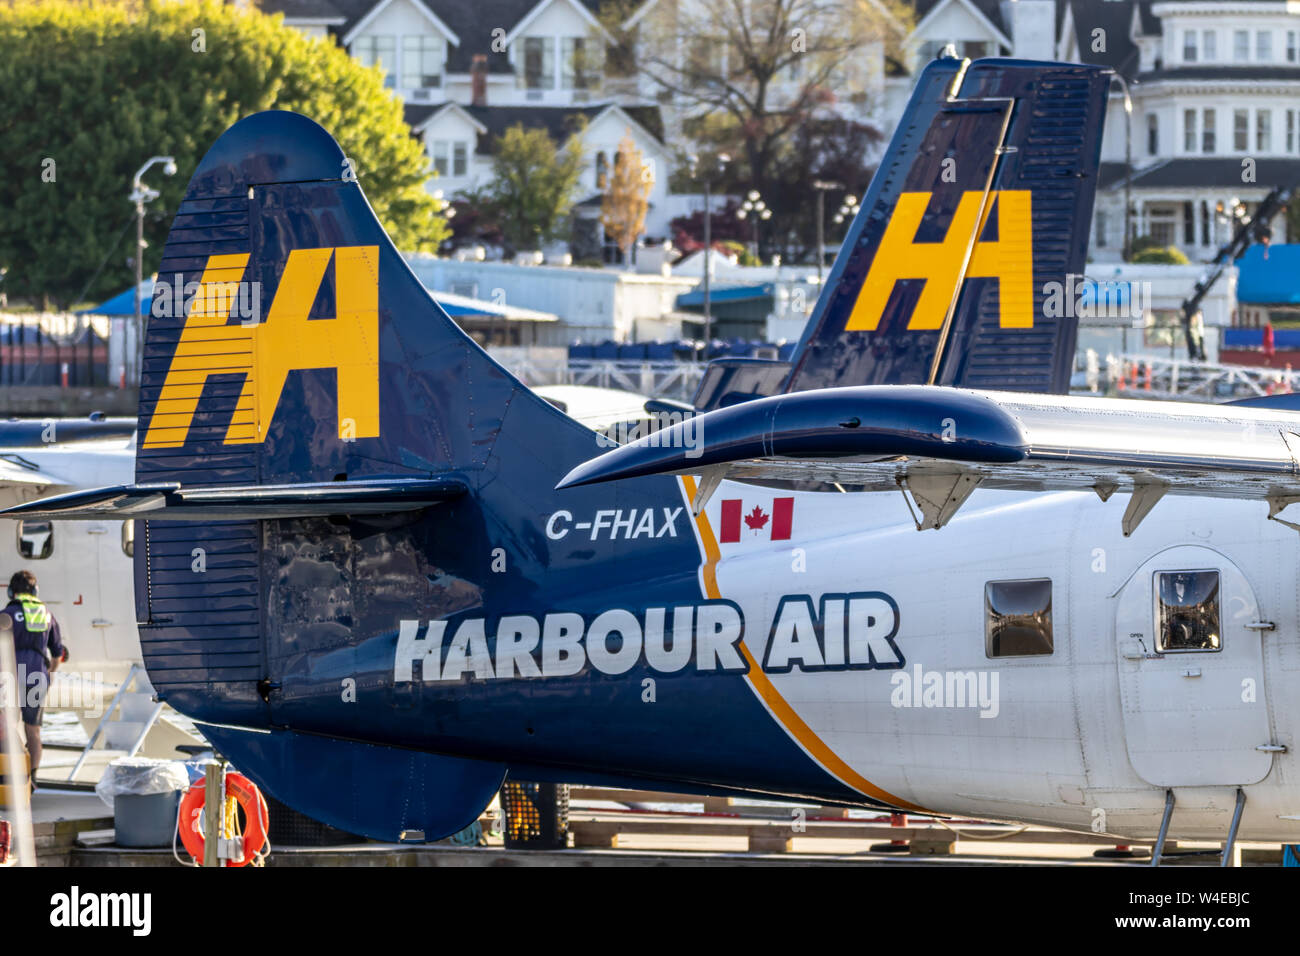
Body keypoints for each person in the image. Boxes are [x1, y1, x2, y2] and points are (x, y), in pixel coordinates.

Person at [3, 571, 66, 794]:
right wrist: (48, 672)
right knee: (34, 731)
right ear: (35, 591)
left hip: (11, 676)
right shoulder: (47, 615)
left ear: (12, 591)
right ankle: (32, 779)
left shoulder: (7, 614)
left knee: (7, 727)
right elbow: (58, 654)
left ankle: (9, 775)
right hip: (38, 676)